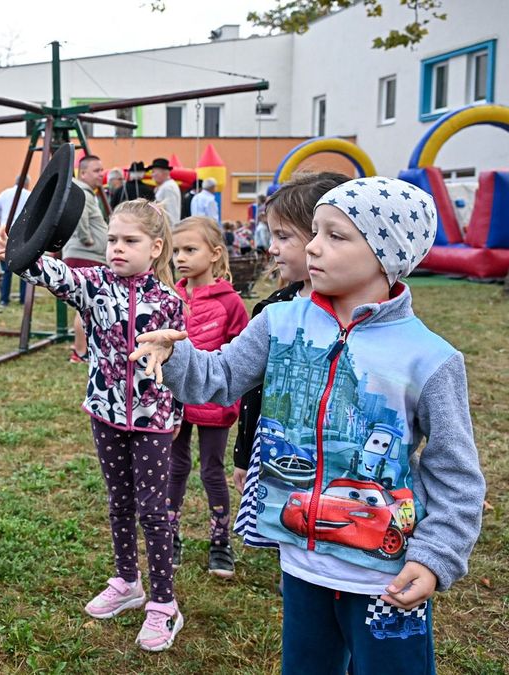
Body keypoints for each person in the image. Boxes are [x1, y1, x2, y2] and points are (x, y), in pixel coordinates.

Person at [131, 177, 485, 674]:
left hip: (388, 577)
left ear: (387, 254)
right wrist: (176, 357)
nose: (313, 246)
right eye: (314, 232)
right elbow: (222, 376)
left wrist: (435, 557)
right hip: (301, 563)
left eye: (336, 236)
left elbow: (456, 474)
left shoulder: (431, 358)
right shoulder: (281, 322)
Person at [0, 199, 187, 652]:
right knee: (119, 501)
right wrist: (9, 252)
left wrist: (176, 416)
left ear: (155, 247)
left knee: (153, 511)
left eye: (129, 241)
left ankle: (164, 604)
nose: (116, 248)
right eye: (112, 239)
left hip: (153, 420)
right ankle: (128, 581)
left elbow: (183, 364)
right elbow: (51, 273)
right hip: (106, 413)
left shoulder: (171, 301)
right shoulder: (92, 285)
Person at [230, 172, 349, 555]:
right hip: (282, 460)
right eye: (272, 237)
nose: (273, 249)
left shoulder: (362, 317)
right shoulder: (274, 311)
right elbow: (253, 391)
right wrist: (244, 454)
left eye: (283, 237)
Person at [167, 216, 248, 578]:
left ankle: (220, 542)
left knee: (212, 471)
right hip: (173, 402)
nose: (180, 257)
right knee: (174, 467)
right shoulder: (170, 297)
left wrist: (230, 398)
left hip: (215, 404)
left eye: (190, 249)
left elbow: (242, 359)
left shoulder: (232, 304)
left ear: (215, 254)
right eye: (175, 251)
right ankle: (170, 536)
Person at [62, 155, 108, 362]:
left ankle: (83, 350)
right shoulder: (82, 192)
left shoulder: (85, 192)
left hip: (86, 254)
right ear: (83, 173)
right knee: (87, 306)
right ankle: (80, 352)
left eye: (102, 169)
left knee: (88, 305)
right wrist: (87, 238)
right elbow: (80, 216)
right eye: (97, 170)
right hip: (85, 254)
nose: (101, 174)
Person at [0, 175, 31, 305]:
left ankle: (4, 299)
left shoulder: (5, 193)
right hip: (23, 234)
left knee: (6, 268)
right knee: (24, 266)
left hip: (5, 232)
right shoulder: (29, 194)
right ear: (26, 184)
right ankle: (24, 299)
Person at [150, 158, 181, 228]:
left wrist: (171, 231)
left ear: (164, 173)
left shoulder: (168, 187)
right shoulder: (164, 186)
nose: (152, 175)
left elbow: (172, 212)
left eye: (154, 172)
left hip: (168, 229)